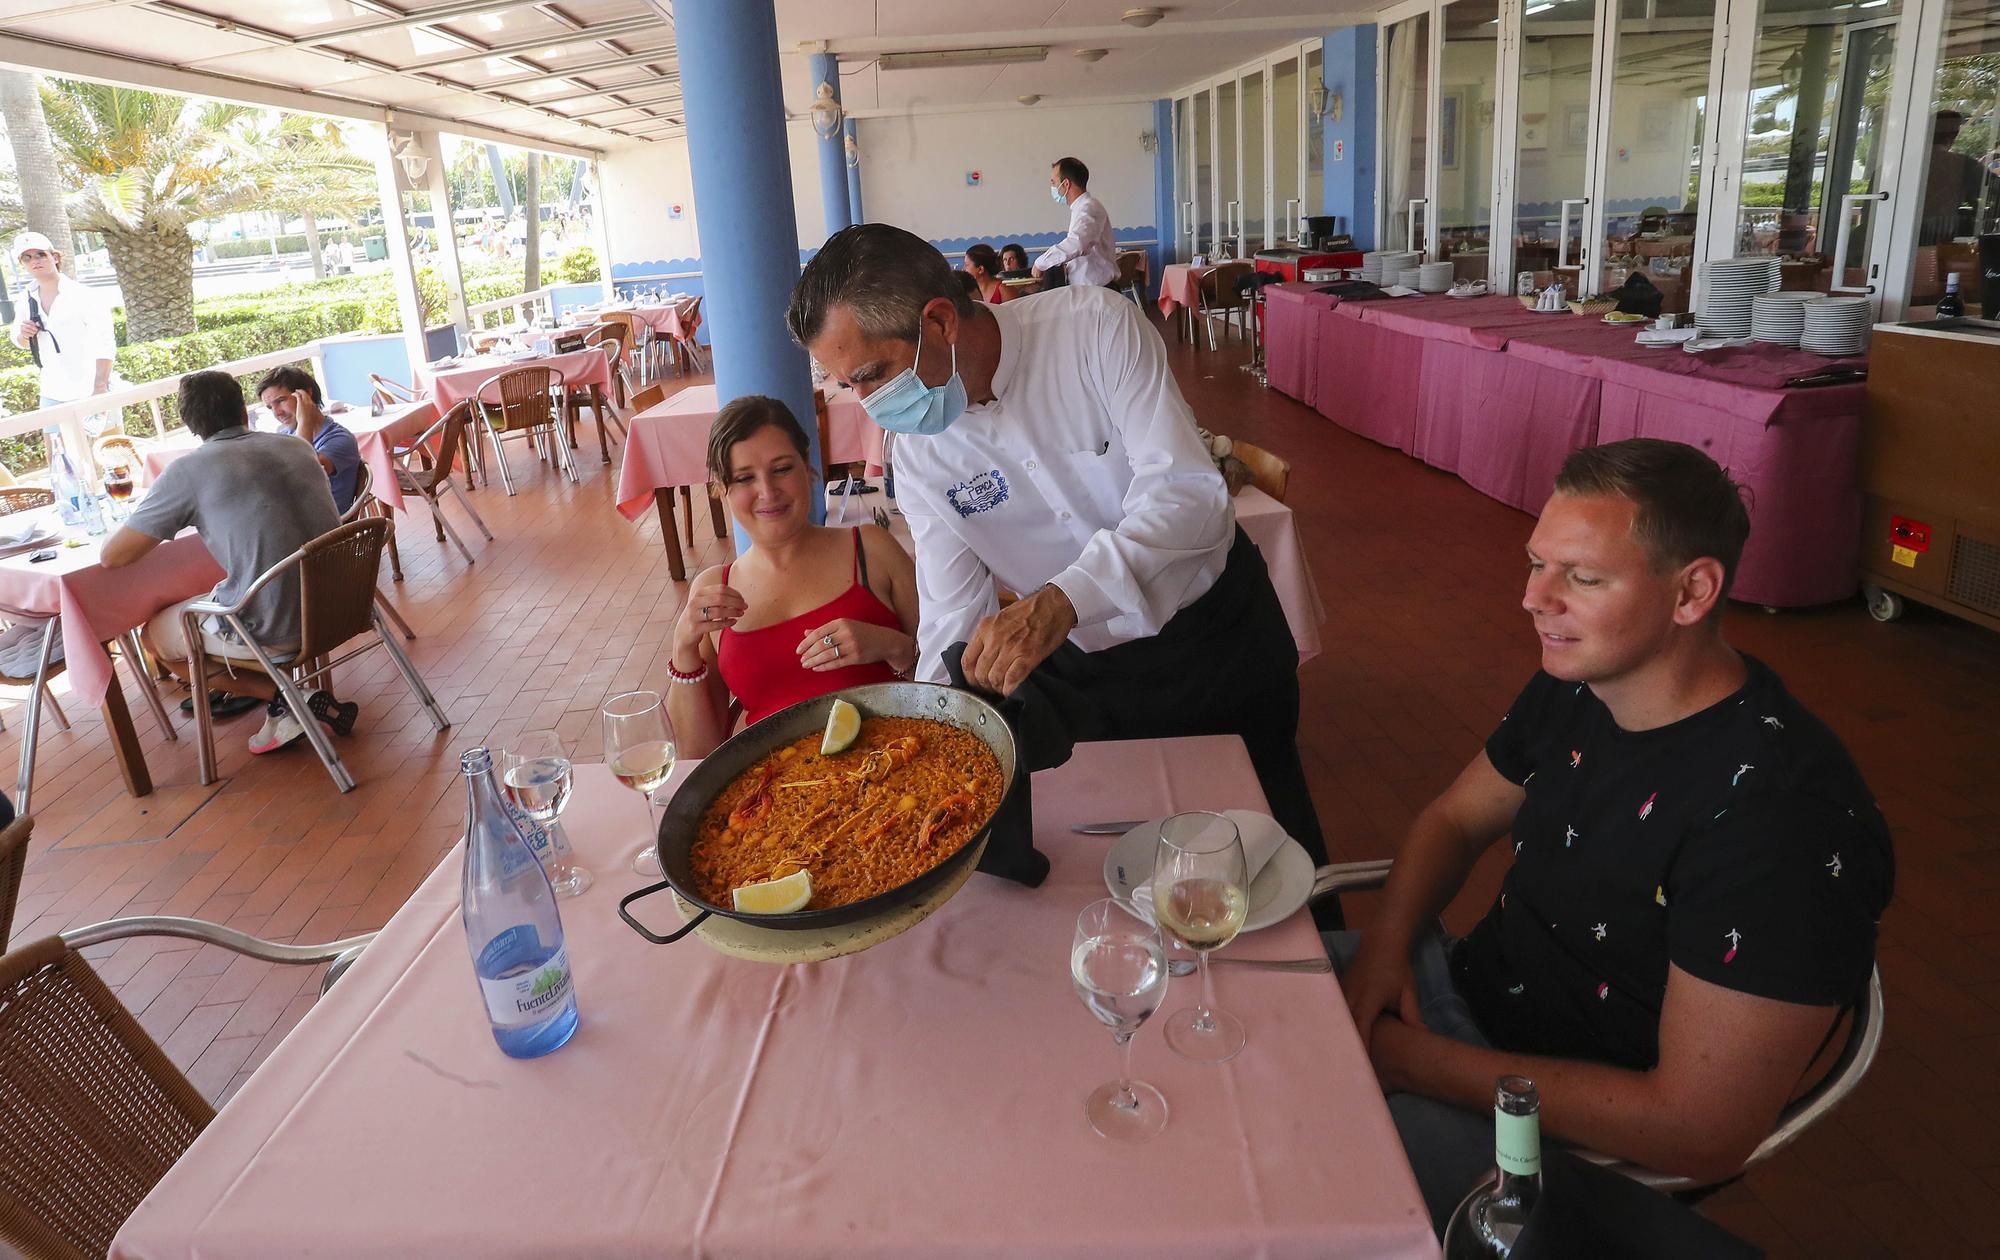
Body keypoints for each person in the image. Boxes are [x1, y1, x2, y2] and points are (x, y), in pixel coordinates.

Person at [1328, 438, 1892, 1235]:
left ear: (1692, 591)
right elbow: (1455, 819)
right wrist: (1385, 950)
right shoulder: (1585, 683)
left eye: (1581, 578)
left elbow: (1700, 1130)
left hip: (1559, 1125)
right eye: (1536, 563)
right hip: (1457, 996)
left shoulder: (1780, 822)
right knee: (1221, 1002)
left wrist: (1405, 1061)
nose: (1533, 599)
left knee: (1279, 1174)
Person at [788, 224, 1324, 882]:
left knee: (1266, 844)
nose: (868, 405)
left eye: (872, 376)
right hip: (1090, 672)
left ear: (939, 321)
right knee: (1131, 858)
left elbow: (1188, 495)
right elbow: (951, 613)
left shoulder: (1093, 329)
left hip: (1216, 635)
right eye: (848, 385)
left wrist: (1064, 598)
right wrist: (926, 737)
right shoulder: (922, 454)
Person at [101, 370, 358, 754]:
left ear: (191, 426)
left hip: (280, 628)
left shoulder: (188, 471)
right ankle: (289, 701)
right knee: (224, 592)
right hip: (347, 601)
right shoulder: (298, 447)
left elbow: (113, 556)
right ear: (244, 410)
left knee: (154, 636)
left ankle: (285, 698)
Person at [667, 395, 919, 759]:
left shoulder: (872, 550)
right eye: (744, 478)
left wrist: (890, 646)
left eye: (782, 469)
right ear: (722, 488)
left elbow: (946, 684)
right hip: (777, 799)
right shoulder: (713, 591)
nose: (768, 492)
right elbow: (697, 754)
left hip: (897, 770)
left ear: (808, 466)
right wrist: (684, 646)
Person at [8, 232, 116, 414]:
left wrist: (100, 387)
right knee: (55, 443)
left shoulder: (84, 295)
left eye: (40, 254)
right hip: (52, 392)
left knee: (107, 442)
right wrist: (23, 334)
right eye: (27, 258)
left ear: (55, 257)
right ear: (23, 265)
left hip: (91, 389)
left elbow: (105, 343)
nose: (34, 261)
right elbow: (20, 342)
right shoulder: (25, 300)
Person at [256, 365, 363, 513]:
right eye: (270, 407)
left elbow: (301, 475)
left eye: (281, 400)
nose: (277, 413)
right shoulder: (288, 434)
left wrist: (305, 422)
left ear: (306, 394)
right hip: (295, 518)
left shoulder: (340, 439)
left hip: (324, 529)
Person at [1033, 157, 1118, 289]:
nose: (1053, 188)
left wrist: (1041, 263)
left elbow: (1077, 243)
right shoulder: (1081, 208)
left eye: (1054, 183)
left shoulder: (1088, 208)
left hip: (1097, 291)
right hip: (1089, 289)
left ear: (1066, 184)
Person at [1919, 110, 2000, 245]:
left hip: (1895, 239)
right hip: (1939, 243)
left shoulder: (1901, 166)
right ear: (1953, 135)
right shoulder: (1961, 164)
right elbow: (1994, 188)